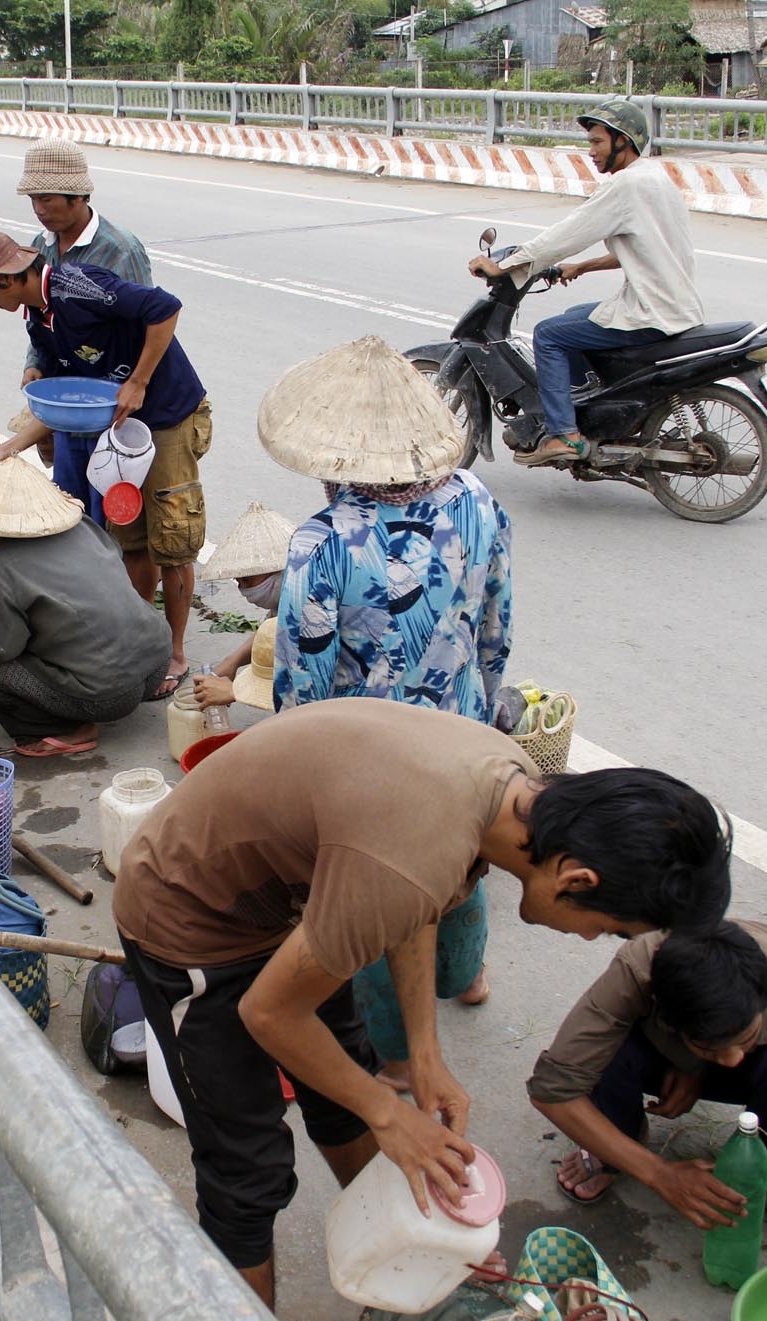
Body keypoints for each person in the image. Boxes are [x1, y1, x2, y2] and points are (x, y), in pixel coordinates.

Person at [113, 699, 732, 1305]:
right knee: (245, 1170)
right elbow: (270, 1012)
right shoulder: (410, 854)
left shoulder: (512, 791)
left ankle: (397, 1241)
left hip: (295, 903)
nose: (595, 939)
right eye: (611, 929)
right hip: (188, 918)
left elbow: (416, 901)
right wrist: (390, 1112)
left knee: (347, 1090)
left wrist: (423, 1051)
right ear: (577, 879)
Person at [259, 336, 513, 1085]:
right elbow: (496, 625)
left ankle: (399, 1058)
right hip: (462, 733)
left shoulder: (322, 544)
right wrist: (485, 706)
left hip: (368, 762)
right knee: (461, 865)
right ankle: (466, 977)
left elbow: (301, 685)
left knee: (378, 900)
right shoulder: (476, 499)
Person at [0, 229, 210, 698]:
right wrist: (8, 447)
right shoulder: (39, 319)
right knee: (130, 538)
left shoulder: (79, 285)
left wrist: (138, 381)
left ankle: (175, 651)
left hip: (168, 417)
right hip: (117, 428)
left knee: (172, 542)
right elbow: (60, 406)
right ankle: (144, 642)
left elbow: (165, 307)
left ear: (9, 278)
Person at [529, 920, 767, 1232]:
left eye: (746, 1038)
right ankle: (621, 1137)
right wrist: (659, 1173)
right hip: (656, 1046)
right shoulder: (636, 970)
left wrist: (701, 1065)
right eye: (710, 1048)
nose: (732, 1061)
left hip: (744, 1054)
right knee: (600, 1048)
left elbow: (737, 1048)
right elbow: (552, 1089)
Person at [466, 100, 702, 465]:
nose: (590, 152)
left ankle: (565, 434)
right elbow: (643, 247)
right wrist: (583, 267)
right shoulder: (655, 178)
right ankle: (588, 405)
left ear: (623, 141)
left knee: (549, 334)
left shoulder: (625, 186)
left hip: (650, 311)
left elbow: (566, 234)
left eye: (596, 143)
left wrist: (505, 266)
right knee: (576, 315)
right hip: (676, 305)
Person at [0, 458, 172, 758]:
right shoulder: (85, 527)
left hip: (109, 697)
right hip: (157, 661)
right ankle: (127, 686)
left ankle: (68, 731)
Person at [14, 138, 151, 395]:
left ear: (77, 198)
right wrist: (34, 362)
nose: (38, 210)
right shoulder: (40, 245)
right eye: (32, 200)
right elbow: (40, 316)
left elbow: (147, 325)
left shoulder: (120, 249)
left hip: (111, 388)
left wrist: (136, 385)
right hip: (63, 384)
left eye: (46, 200)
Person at [191, 501, 298, 710]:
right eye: (239, 582)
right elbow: (268, 637)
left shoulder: (309, 614)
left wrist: (235, 692)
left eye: (248, 581)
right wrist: (231, 663)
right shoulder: (288, 596)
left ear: (279, 573)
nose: (243, 589)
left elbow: (309, 692)